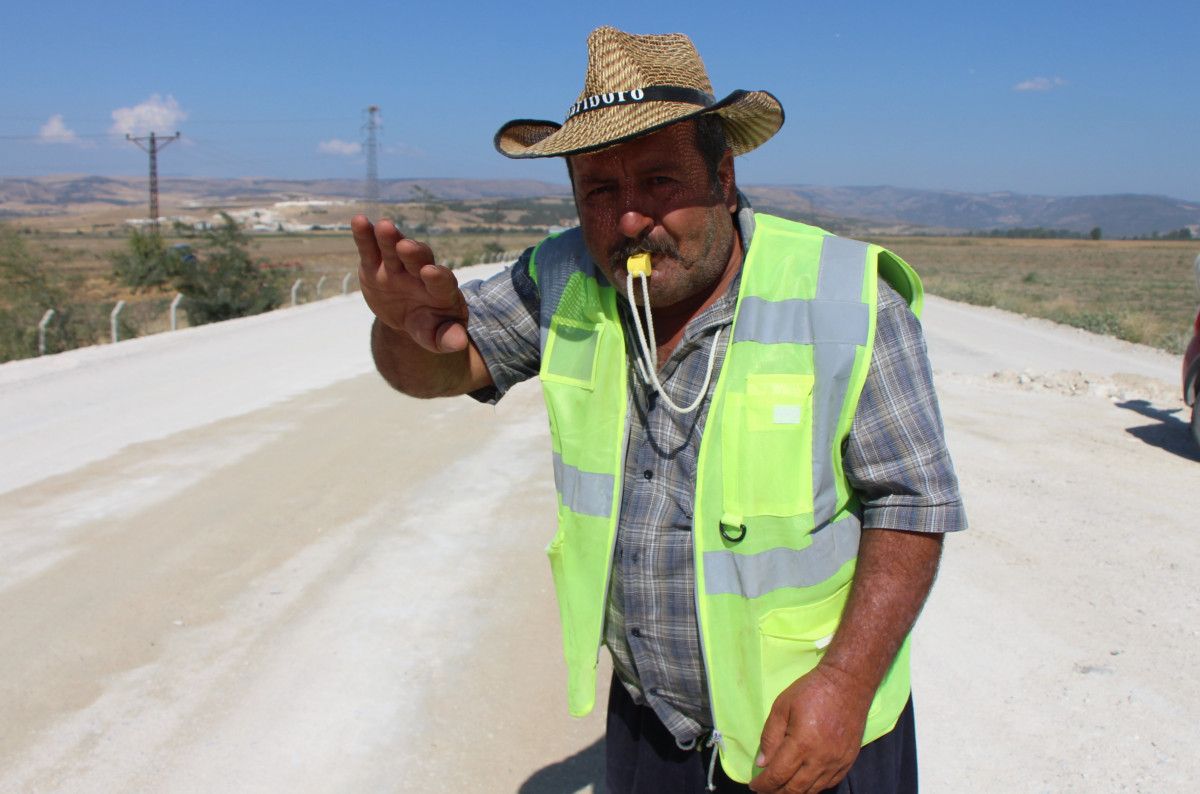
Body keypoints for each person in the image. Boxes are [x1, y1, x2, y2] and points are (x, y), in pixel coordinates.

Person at [351, 26, 966, 794]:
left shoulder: (844, 297)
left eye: (661, 182)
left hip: (809, 728)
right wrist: (401, 329)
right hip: (651, 725)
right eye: (600, 192)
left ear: (725, 177)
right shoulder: (567, 274)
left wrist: (843, 684)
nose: (632, 219)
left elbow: (915, 502)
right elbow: (436, 369)